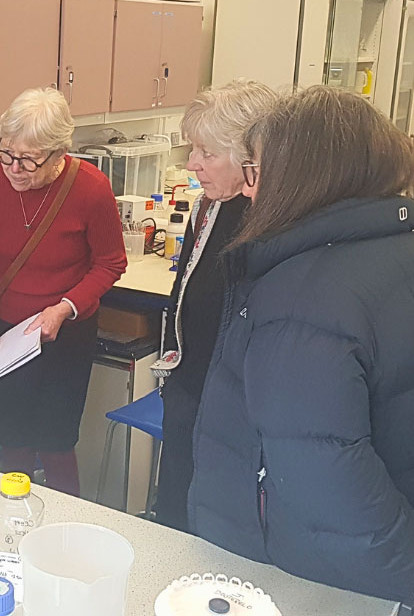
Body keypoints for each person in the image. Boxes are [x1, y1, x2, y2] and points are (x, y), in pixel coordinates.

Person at [187, 86, 414, 614]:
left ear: (301, 178)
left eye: (255, 172)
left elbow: (329, 493)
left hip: (312, 584)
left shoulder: (298, 300)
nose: (250, 192)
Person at [0, 87, 127, 496]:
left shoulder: (91, 188)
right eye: (7, 153)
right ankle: (12, 520)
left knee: (56, 442)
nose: (14, 169)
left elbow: (111, 263)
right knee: (12, 437)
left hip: (65, 331)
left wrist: (65, 308)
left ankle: (64, 529)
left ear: (58, 154)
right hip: (6, 329)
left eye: (29, 160)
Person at [152, 80, 277, 532]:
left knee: (213, 520)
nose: (192, 165)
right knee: (174, 506)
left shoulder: (270, 221)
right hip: (189, 380)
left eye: (207, 153)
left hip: (232, 399)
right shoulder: (212, 204)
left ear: (252, 159)